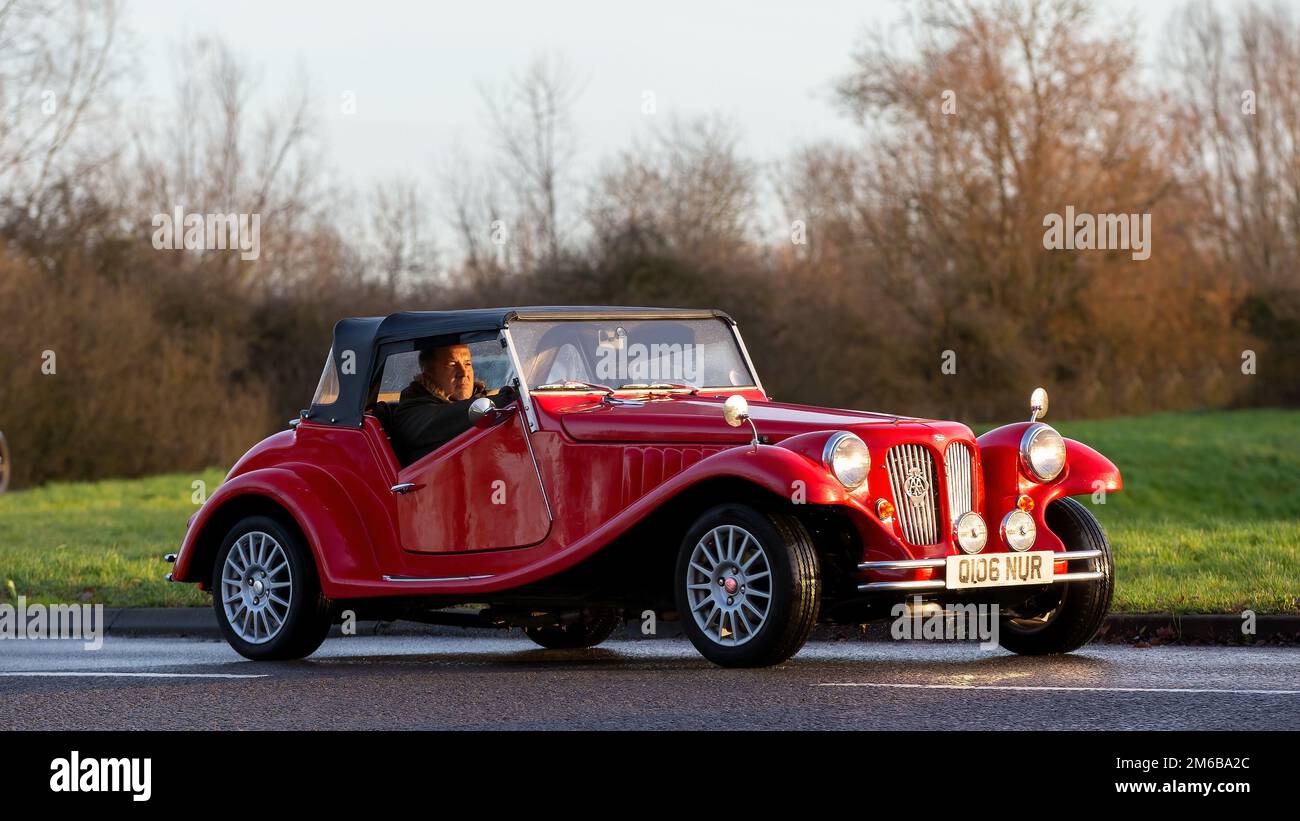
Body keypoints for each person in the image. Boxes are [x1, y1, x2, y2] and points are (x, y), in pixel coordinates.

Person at [389, 343, 514, 466]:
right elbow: (447, 418)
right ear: (429, 375)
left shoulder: (478, 400)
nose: (464, 373)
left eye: (467, 364)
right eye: (452, 365)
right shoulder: (412, 413)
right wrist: (508, 398)